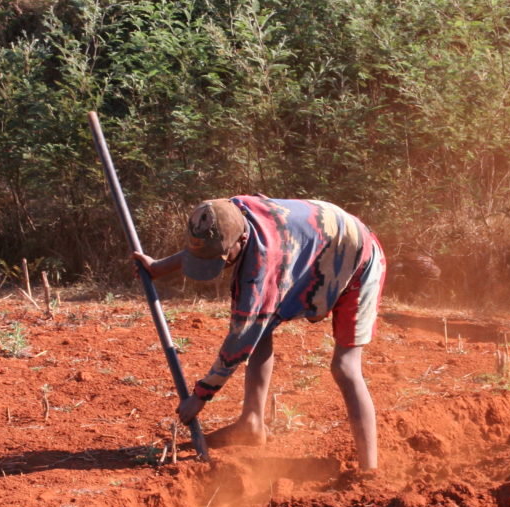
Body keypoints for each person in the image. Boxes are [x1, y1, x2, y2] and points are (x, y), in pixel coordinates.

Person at [133, 196, 386, 471]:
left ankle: (369, 470)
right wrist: (158, 267)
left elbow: (240, 341)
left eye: (223, 259)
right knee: (263, 332)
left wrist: (200, 395)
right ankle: (251, 423)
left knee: (345, 367)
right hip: (318, 243)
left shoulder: (260, 266)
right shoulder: (225, 212)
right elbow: (209, 246)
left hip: (358, 258)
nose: (220, 266)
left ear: (242, 240)